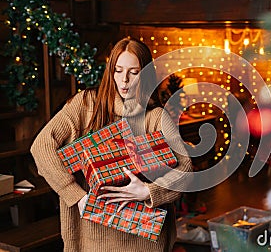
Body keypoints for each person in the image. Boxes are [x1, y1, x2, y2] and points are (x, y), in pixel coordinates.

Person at [30, 37, 193, 252]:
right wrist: (75, 195)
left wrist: (148, 191)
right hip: (91, 236)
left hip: (144, 241)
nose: (124, 80)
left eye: (133, 72)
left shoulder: (155, 117)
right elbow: (41, 147)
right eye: (118, 70)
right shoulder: (85, 104)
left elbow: (185, 169)